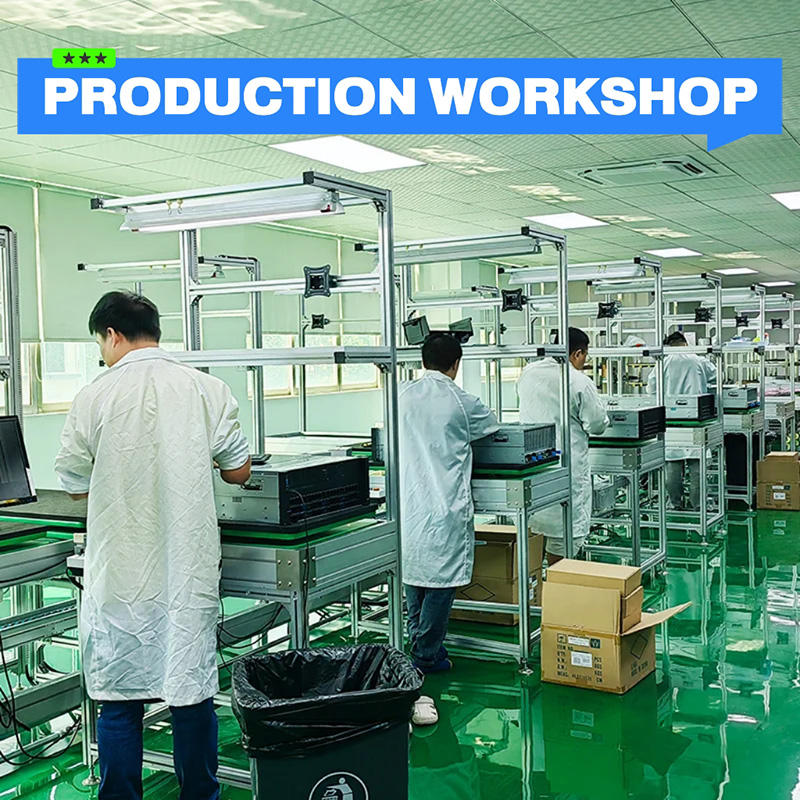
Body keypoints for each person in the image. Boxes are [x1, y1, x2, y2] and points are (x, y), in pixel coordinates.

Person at [54, 292, 251, 800]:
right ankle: (200, 794)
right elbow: (238, 471)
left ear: (112, 335)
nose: (103, 354)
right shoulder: (207, 389)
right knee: (191, 692)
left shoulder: (94, 396)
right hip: (186, 571)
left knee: (119, 699)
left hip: (120, 575)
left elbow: (74, 483)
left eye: (101, 343)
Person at [399, 333, 498, 691]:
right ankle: (426, 653)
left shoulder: (402, 394)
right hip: (444, 502)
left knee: (414, 571)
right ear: (456, 364)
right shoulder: (460, 400)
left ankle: (418, 640)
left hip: (409, 502)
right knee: (442, 580)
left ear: (423, 361)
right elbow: (491, 425)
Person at [517, 327, 608, 563]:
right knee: (563, 541)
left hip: (535, 464)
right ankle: (559, 583)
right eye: (585, 355)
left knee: (534, 534)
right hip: (568, 466)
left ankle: (535, 584)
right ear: (577, 353)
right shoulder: (578, 381)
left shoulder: (529, 372)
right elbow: (596, 424)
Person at [649, 330, 717, 510]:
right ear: (686, 343)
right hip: (696, 419)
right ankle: (698, 505)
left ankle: (674, 504)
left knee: (672, 466)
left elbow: (651, 388)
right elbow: (718, 377)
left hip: (671, 421)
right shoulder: (698, 360)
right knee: (697, 467)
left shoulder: (663, 362)